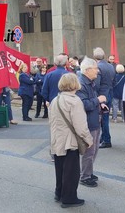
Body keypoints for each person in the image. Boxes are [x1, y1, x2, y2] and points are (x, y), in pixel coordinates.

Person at [50, 73, 94, 208]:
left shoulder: (55, 100)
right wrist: (89, 139)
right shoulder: (75, 101)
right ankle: (69, 198)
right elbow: (80, 126)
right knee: (71, 172)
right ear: (75, 84)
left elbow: (52, 122)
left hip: (58, 140)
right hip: (70, 142)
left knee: (60, 169)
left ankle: (59, 193)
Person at [77, 57, 107, 187]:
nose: (98, 71)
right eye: (95, 68)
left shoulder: (89, 82)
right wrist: (98, 100)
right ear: (88, 70)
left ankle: (88, 172)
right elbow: (83, 104)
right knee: (89, 151)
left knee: (93, 150)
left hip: (95, 119)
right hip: (89, 122)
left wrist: (100, 105)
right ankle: (84, 176)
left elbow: (91, 100)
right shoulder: (81, 84)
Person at [93, 47, 116, 149]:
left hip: (102, 95)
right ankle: (104, 138)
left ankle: (106, 140)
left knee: (103, 119)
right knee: (105, 117)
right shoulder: (111, 66)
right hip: (110, 93)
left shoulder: (98, 67)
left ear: (94, 56)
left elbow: (96, 84)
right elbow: (114, 81)